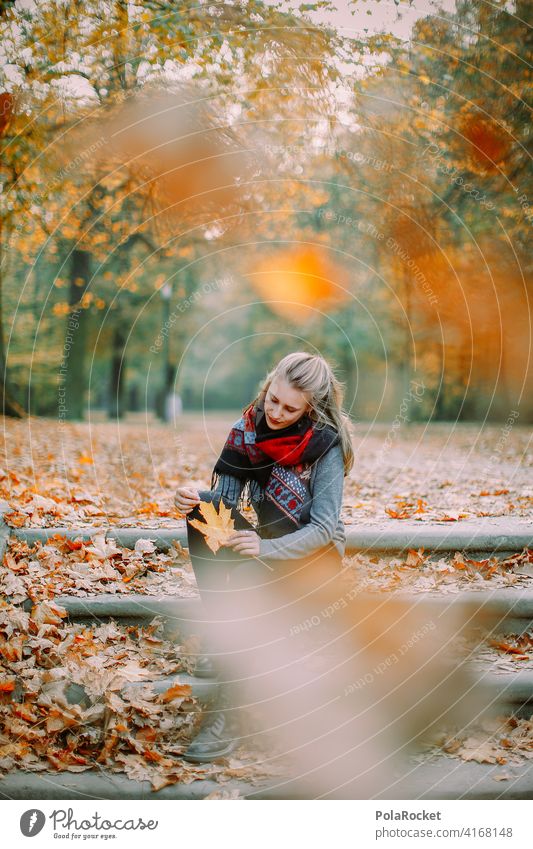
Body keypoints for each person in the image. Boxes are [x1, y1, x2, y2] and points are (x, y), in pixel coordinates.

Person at [174, 351, 354, 763]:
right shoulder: (248, 428)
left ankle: (228, 715)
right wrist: (189, 497)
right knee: (204, 514)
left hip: (312, 558)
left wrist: (267, 549)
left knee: (252, 592)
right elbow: (225, 503)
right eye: (273, 399)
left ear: (312, 407)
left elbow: (325, 530)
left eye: (291, 408)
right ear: (268, 386)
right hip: (265, 543)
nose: (275, 412)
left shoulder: (326, 442)